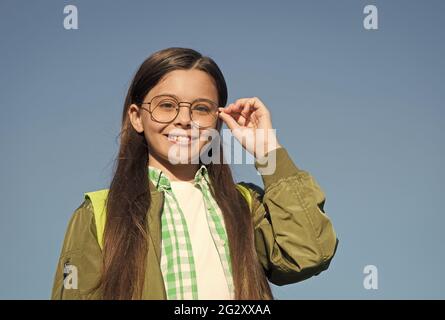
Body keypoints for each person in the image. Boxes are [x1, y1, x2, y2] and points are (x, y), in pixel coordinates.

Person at [51, 47, 339, 300]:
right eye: (166, 105)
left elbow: (309, 252)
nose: (184, 120)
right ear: (137, 117)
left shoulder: (244, 205)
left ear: (218, 119)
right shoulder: (98, 214)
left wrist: (268, 152)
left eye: (201, 108)